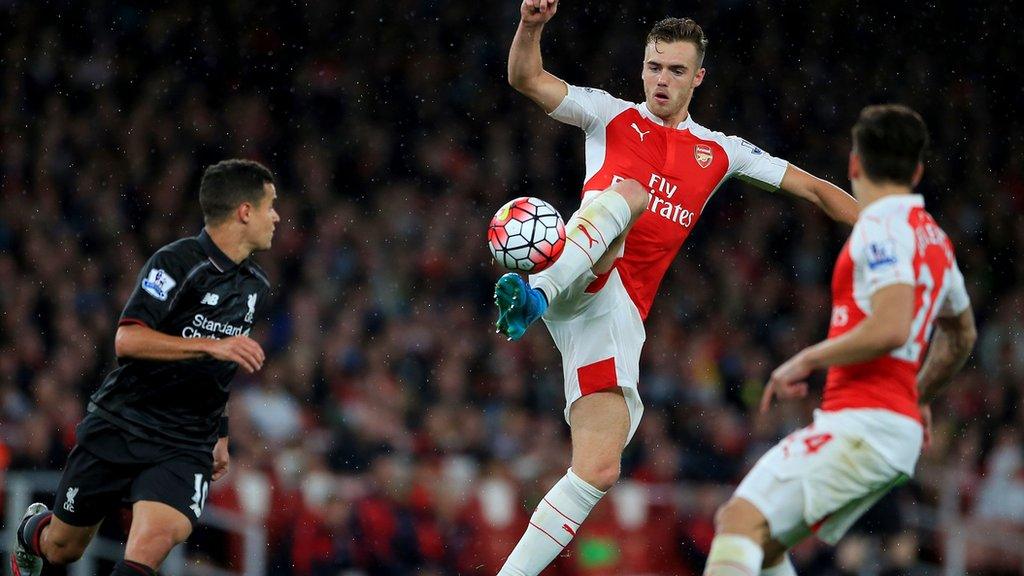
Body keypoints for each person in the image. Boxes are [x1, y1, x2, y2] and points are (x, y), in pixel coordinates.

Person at [493, 2, 859, 574]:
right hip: (578, 268)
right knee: (632, 194)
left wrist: (896, 230)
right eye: (653, 67)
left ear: (699, 77)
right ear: (642, 68)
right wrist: (532, 27)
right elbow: (526, 79)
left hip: (613, 319)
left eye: (676, 71)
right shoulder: (606, 115)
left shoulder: (720, 152)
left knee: (598, 470)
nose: (661, 80)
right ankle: (536, 292)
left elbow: (815, 191)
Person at [702, 104, 976, 575]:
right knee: (761, 545)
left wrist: (806, 358)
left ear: (854, 164)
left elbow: (892, 326)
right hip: (888, 430)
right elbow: (961, 334)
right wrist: (919, 395)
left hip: (864, 425)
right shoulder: (934, 238)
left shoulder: (879, 227)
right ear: (916, 170)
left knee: (739, 521)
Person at [10, 159, 280, 576]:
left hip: (185, 441)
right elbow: (127, 340)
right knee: (63, 549)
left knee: (150, 543)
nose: (276, 217)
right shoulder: (176, 262)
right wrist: (211, 345)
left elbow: (219, 370)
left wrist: (220, 433)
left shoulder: (256, 288)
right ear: (245, 211)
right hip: (123, 421)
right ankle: (33, 530)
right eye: (270, 206)